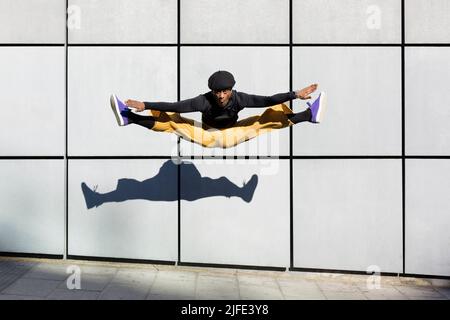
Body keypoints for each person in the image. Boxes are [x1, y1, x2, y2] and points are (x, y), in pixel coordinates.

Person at [110, 70, 326, 148]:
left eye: (225, 92)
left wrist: (295, 95)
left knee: (268, 115)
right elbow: (176, 105)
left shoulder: (239, 98)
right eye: (217, 92)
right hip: (208, 133)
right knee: (172, 119)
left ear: (231, 90)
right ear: (212, 92)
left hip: (230, 133)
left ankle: (308, 115)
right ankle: (129, 117)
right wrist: (145, 105)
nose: (221, 96)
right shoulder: (203, 101)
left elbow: (267, 99)